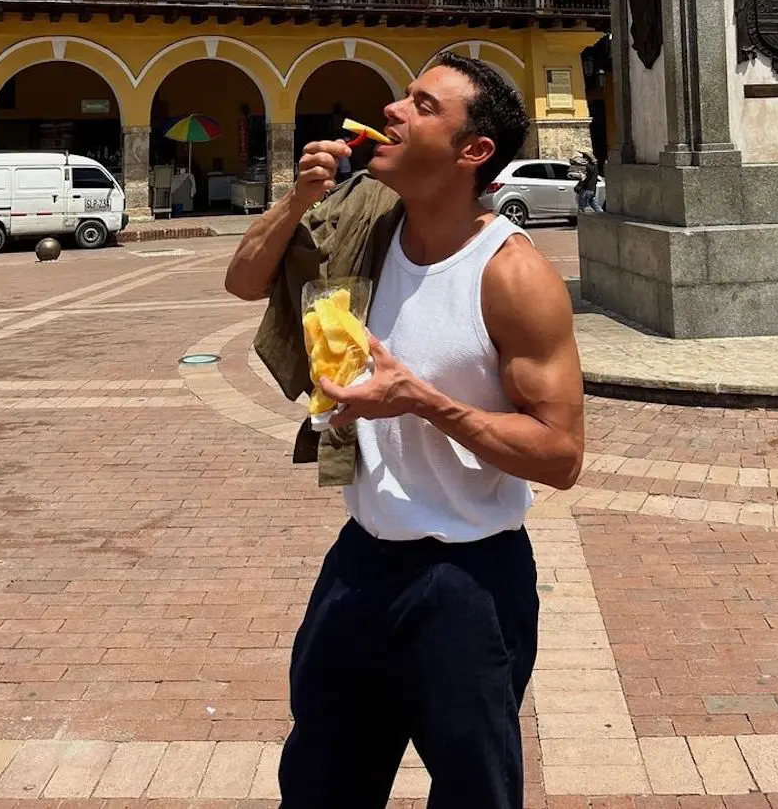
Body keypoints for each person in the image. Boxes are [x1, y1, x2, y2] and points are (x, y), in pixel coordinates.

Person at [226, 53, 584, 809]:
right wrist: (298, 196)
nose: (390, 109)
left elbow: (560, 454)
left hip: (467, 580)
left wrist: (425, 401)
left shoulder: (511, 275)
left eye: (422, 105)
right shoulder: (364, 228)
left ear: (472, 151)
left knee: (471, 795)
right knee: (319, 786)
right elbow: (244, 279)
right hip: (360, 560)